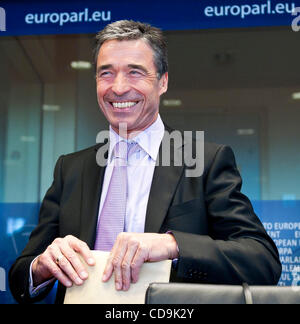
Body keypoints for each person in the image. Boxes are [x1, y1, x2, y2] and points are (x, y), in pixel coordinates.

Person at [9, 20, 281, 304]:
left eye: (135, 72)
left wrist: (173, 245)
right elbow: (19, 278)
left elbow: (262, 260)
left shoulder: (204, 161)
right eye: (106, 73)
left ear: (163, 82)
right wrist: (41, 266)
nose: (119, 87)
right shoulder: (70, 169)